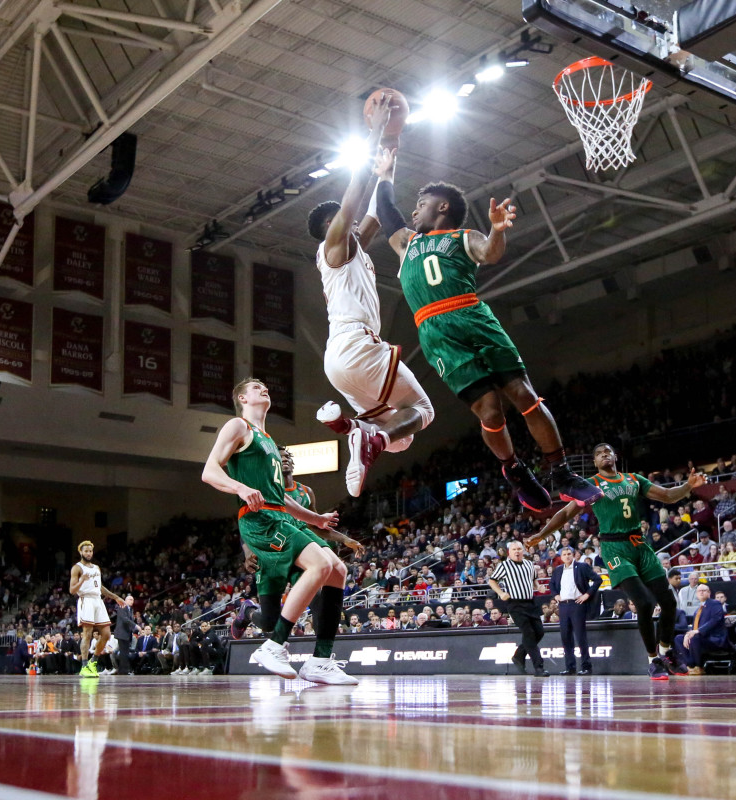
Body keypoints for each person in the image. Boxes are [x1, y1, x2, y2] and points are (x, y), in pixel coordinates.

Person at [371, 147, 600, 513]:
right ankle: (514, 469)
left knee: (523, 393)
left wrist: (496, 230)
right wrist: (385, 174)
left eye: (422, 203)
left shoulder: (464, 236)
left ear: (442, 207)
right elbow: (387, 214)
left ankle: (562, 472)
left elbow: (491, 253)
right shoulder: (407, 244)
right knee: (490, 412)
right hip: (436, 330)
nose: (414, 211)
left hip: (472, 316)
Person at [308, 94, 433, 496]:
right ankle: (367, 437)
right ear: (331, 225)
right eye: (341, 218)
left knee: (402, 437)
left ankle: (349, 428)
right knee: (424, 411)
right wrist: (374, 129)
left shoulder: (354, 248)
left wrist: (390, 154)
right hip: (356, 347)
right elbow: (356, 197)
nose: (351, 219)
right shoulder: (334, 246)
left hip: (342, 360)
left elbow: (379, 210)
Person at [202, 378, 355, 684]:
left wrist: (316, 519)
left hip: (279, 516)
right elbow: (209, 471)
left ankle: (321, 661)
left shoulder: (268, 439)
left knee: (338, 570)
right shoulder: (237, 426)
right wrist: (241, 487)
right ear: (242, 398)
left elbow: (281, 496)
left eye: (264, 386)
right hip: (259, 519)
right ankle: (274, 645)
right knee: (321, 565)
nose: (264, 388)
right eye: (255, 387)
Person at [530, 444, 706, 679]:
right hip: (614, 548)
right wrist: (542, 534)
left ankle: (666, 651)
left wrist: (687, 486)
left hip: (640, 545)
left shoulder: (633, 479)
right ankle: (653, 659)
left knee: (669, 602)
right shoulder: (590, 485)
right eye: (598, 453)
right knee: (643, 603)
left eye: (607, 451)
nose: (604, 454)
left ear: (615, 456)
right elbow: (565, 513)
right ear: (594, 462)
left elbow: (666, 495)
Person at [231, 448, 365, 653]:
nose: (284, 460)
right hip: (272, 550)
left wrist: (344, 539)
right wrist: (248, 552)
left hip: (298, 551)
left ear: (293, 463)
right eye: (280, 457)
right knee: (268, 622)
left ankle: (322, 658)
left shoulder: (305, 492)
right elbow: (250, 520)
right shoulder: (263, 487)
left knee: (320, 600)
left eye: (287, 457)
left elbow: (314, 526)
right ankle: (247, 611)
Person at [69, 540, 127, 678]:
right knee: (87, 634)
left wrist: (115, 597)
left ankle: (93, 662)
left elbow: (99, 587)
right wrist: (82, 580)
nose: (89, 553)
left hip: (98, 600)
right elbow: (72, 590)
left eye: (90, 551)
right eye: (86, 551)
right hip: (86, 599)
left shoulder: (96, 567)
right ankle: (84, 666)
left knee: (106, 634)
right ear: (81, 552)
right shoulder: (77, 568)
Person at [488, 541, 547, 676]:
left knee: (540, 632)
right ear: (509, 552)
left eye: (519, 549)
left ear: (523, 551)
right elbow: (492, 580)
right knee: (529, 633)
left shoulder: (529, 564)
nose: (517, 551)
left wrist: (539, 587)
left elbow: (533, 581)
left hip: (530, 602)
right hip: (515, 603)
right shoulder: (504, 565)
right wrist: (501, 593)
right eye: (514, 549)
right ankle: (539, 667)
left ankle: (518, 655)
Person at [548, 545, 599, 675]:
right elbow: (552, 584)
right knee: (565, 637)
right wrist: (555, 595)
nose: (567, 556)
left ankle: (586, 667)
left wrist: (587, 594)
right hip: (563, 606)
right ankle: (570, 667)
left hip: (577, 604)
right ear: (561, 557)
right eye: (564, 554)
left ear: (573, 555)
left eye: (569, 554)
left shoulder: (582, 567)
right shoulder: (558, 569)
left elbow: (598, 579)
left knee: (580, 637)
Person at [675, 584, 730, 675]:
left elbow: (715, 620)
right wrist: (687, 635)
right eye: (699, 591)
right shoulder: (697, 610)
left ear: (709, 593)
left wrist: (698, 631)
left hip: (714, 639)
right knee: (678, 638)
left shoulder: (715, 604)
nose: (701, 592)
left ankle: (698, 666)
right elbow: (694, 628)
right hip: (700, 638)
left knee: (695, 637)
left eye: (704, 590)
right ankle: (690, 665)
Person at [113, 595, 139, 675]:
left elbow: (129, 621)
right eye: (130, 599)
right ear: (125, 600)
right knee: (123, 652)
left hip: (127, 633)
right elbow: (125, 620)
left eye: (133, 600)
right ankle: (123, 670)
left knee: (125, 652)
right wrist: (135, 626)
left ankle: (124, 670)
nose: (132, 601)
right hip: (122, 633)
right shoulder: (122, 607)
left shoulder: (130, 609)